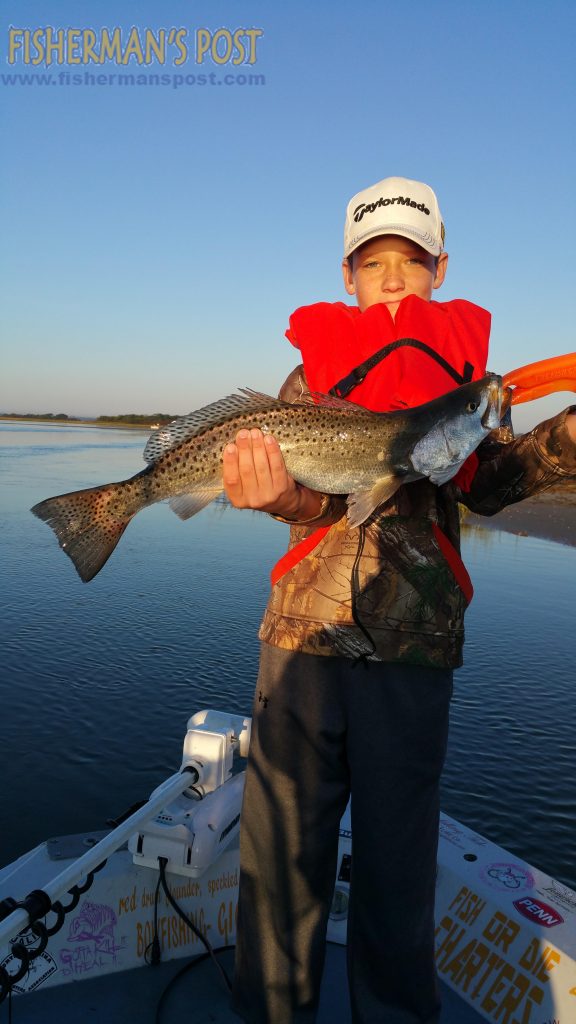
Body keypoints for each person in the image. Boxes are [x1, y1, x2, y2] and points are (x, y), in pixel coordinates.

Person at [222, 176, 576, 1024]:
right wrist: (280, 497)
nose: (391, 278)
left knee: (398, 864)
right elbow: (309, 500)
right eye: (373, 261)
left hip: (414, 658)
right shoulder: (309, 378)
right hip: (302, 645)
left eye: (410, 262)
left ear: (440, 269)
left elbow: (489, 484)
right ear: (346, 274)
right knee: (280, 860)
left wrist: (564, 440)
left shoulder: (467, 385)